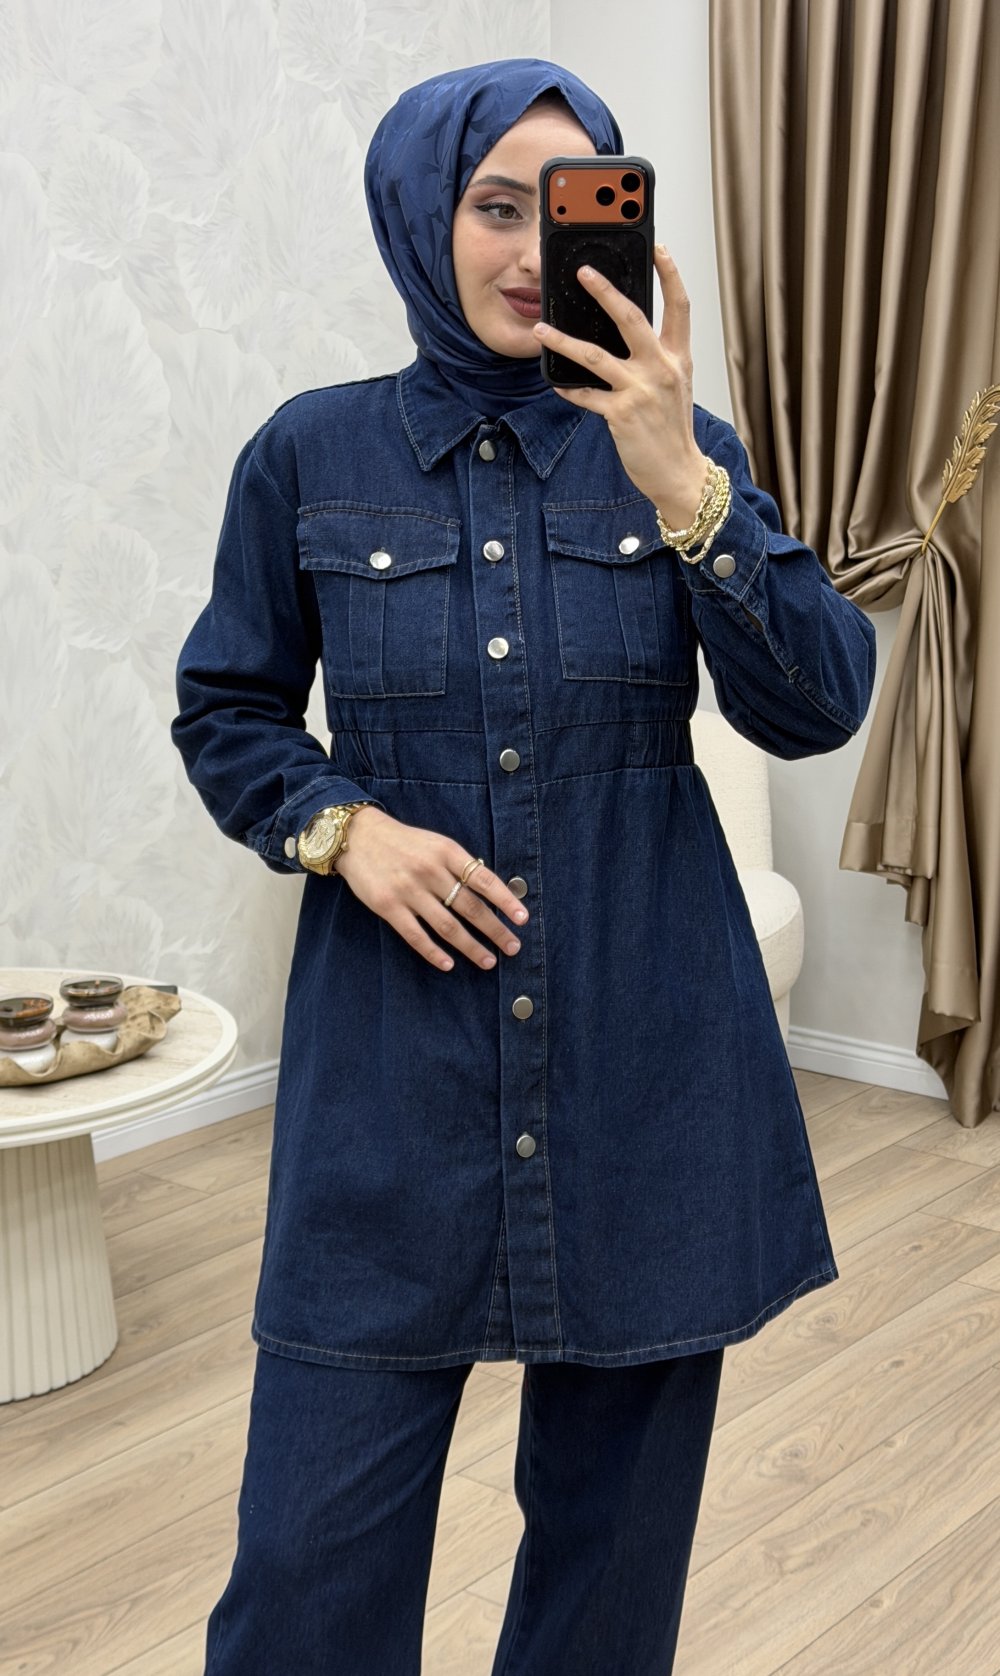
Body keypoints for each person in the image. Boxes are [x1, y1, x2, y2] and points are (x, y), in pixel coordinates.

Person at [171, 56, 876, 1676]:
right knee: (306, 1577)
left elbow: (818, 702)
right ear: (421, 215)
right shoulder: (309, 455)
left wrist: (684, 484)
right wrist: (345, 829)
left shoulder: (678, 447)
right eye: (496, 207)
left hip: (647, 1068)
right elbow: (229, 709)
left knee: (609, 1579)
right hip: (390, 1083)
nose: (528, 252)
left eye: (568, 212)